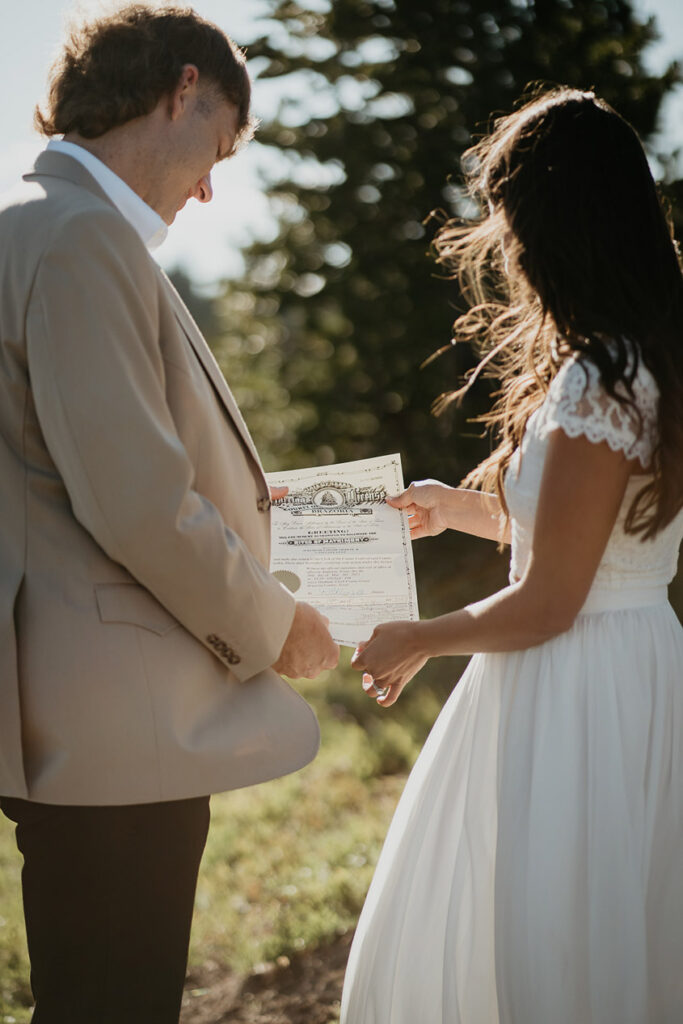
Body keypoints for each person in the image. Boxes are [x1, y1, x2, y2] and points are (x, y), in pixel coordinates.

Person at [0, 5, 338, 1022]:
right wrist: (278, 624)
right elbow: (136, 500)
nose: (206, 186)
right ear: (180, 89)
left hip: (77, 715)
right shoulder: (79, 237)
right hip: (118, 731)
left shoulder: (34, 227)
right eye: (217, 147)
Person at [342, 87, 683, 1023]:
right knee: (610, 927)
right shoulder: (645, 359)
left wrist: (419, 634)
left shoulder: (596, 379)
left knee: (556, 940)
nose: (504, 248)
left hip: (573, 683)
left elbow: (549, 602)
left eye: (509, 221)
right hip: (633, 663)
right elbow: (599, 546)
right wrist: (462, 510)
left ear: (550, 227)